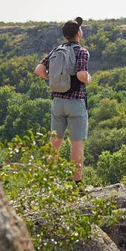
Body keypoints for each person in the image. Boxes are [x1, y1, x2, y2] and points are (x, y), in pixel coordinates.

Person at [35, 17, 91, 185]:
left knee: (55, 143)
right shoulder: (81, 52)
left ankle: (48, 181)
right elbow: (81, 75)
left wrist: (53, 79)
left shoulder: (56, 50)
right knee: (77, 144)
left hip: (57, 102)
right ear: (78, 34)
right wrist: (88, 78)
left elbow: (39, 70)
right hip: (75, 103)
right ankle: (77, 184)